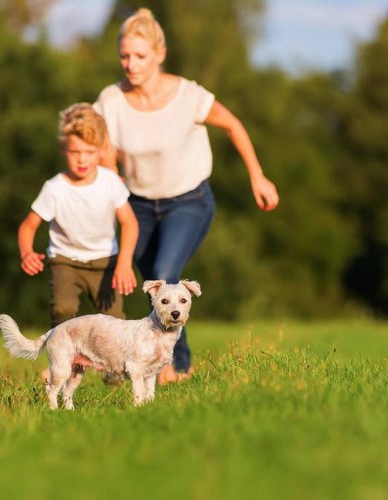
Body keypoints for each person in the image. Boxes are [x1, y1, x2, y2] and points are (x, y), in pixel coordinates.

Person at [93, 8, 280, 384]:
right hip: (137, 206)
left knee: (164, 276)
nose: (131, 64)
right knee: (143, 285)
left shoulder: (187, 95)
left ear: (160, 55)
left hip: (188, 202)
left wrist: (257, 176)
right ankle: (134, 362)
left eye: (140, 56)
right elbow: (100, 149)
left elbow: (232, 125)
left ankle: (176, 368)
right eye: (125, 56)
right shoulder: (111, 99)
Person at [17, 103, 139, 382]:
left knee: (114, 320)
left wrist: (124, 264)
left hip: (106, 262)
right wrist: (26, 253)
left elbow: (130, 223)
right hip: (65, 260)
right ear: (64, 150)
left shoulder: (110, 182)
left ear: (101, 151)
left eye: (89, 152)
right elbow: (28, 226)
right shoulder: (55, 188)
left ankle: (114, 370)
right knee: (63, 308)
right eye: (75, 152)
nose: (82, 159)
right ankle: (63, 359)